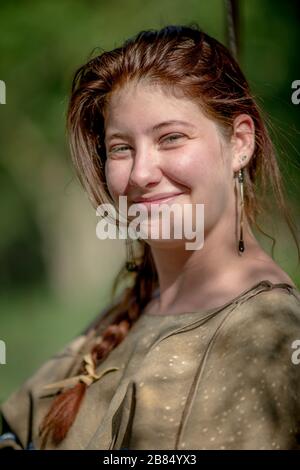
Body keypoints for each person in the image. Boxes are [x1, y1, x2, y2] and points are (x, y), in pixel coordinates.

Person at [1, 24, 300, 451]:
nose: (141, 173)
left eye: (171, 138)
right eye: (121, 148)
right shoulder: (133, 310)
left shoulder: (262, 334)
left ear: (239, 143)